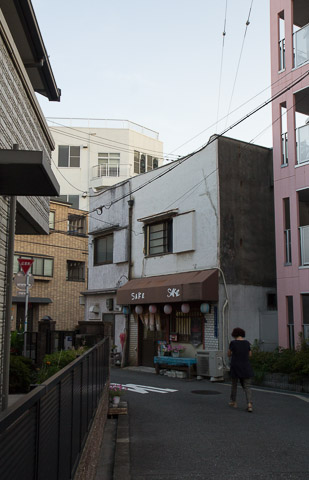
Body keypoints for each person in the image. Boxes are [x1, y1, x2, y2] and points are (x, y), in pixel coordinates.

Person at [227, 327, 254, 412]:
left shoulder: (233, 343)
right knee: (247, 386)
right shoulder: (247, 343)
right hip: (246, 366)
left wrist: (231, 353)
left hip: (235, 366)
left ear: (234, 335)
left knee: (234, 385)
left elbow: (229, 354)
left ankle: (233, 402)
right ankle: (249, 404)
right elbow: (250, 355)